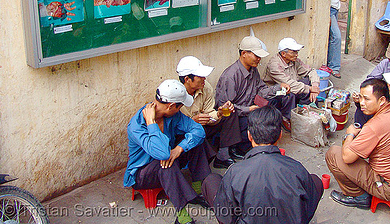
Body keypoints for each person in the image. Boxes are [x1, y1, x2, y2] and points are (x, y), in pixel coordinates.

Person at [202, 106, 323, 224]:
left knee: (211, 181)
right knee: (315, 181)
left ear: (249, 136)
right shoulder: (296, 168)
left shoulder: (235, 172)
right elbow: (307, 208)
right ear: (280, 135)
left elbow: (226, 217)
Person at [124, 80, 211, 224]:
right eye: (180, 106)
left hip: (166, 158)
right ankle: (182, 217)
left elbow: (198, 130)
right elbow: (162, 154)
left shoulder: (173, 115)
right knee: (165, 164)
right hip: (142, 174)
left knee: (195, 142)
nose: (180, 110)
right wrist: (152, 123)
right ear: (171, 106)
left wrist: (179, 149)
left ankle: (197, 191)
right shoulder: (136, 126)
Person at [326, 78, 390, 209]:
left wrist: (350, 134)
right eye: (360, 98)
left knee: (333, 153)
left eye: (367, 99)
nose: (362, 103)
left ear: (382, 100)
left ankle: (358, 197)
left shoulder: (374, 126)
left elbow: (347, 157)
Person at [215, 36, 294, 156]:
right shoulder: (230, 76)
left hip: (250, 109)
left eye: (259, 56)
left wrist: (279, 87)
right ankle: (233, 149)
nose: (259, 59)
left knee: (273, 111)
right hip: (236, 116)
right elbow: (224, 108)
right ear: (244, 53)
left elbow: (261, 90)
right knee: (258, 122)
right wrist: (248, 109)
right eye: (256, 56)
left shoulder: (253, 70)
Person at [177, 56, 241, 169]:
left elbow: (209, 112)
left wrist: (219, 113)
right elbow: (174, 126)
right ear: (187, 79)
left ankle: (223, 155)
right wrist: (192, 122)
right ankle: (200, 170)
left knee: (230, 113)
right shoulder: (175, 94)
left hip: (204, 126)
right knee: (197, 134)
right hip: (185, 132)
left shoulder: (205, 87)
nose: (204, 79)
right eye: (200, 76)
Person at [264, 37, 320, 104]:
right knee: (289, 93)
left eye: (297, 52)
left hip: (291, 87)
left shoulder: (294, 61)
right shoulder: (274, 65)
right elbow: (288, 84)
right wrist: (310, 89)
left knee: (307, 81)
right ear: (283, 54)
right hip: (275, 95)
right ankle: (288, 114)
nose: (296, 55)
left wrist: (315, 86)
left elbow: (310, 71)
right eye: (293, 52)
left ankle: (306, 108)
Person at [321, 0, 344, 79]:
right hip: (329, 10)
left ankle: (331, 65)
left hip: (334, 8)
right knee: (337, 36)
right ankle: (334, 67)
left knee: (332, 37)